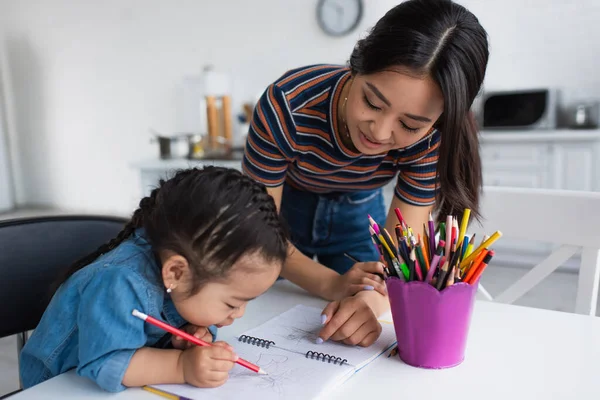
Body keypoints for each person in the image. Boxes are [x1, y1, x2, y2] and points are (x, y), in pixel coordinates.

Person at [242, 0, 489, 345]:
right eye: (372, 103)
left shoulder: (433, 138)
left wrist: (372, 301)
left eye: (409, 124)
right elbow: (257, 234)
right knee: (263, 304)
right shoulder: (287, 105)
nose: (380, 133)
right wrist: (331, 283)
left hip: (360, 215)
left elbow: (401, 259)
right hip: (285, 212)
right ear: (356, 65)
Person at [19, 166, 289, 392]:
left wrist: (192, 333)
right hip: (55, 387)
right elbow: (106, 363)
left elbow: (186, 309)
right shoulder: (120, 282)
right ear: (176, 273)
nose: (239, 314)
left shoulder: (184, 269)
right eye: (232, 303)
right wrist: (182, 367)